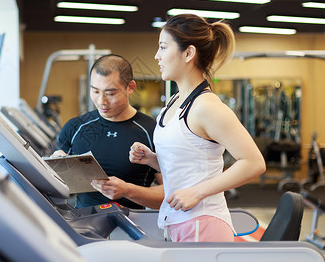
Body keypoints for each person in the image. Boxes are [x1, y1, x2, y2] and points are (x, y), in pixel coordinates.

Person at [129, 14, 266, 242]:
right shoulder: (174, 102)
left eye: (163, 47)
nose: (156, 55)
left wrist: (198, 192)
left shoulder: (206, 106)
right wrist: (153, 159)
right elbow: (187, 163)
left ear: (188, 53)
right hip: (177, 221)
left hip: (203, 223)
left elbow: (254, 163)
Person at [51, 54, 164, 209]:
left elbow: (170, 194)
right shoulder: (75, 127)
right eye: (95, 91)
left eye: (110, 93)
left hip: (134, 225)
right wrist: (55, 169)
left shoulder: (152, 131)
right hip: (84, 226)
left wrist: (128, 191)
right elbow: (55, 188)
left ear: (130, 87)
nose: (101, 101)